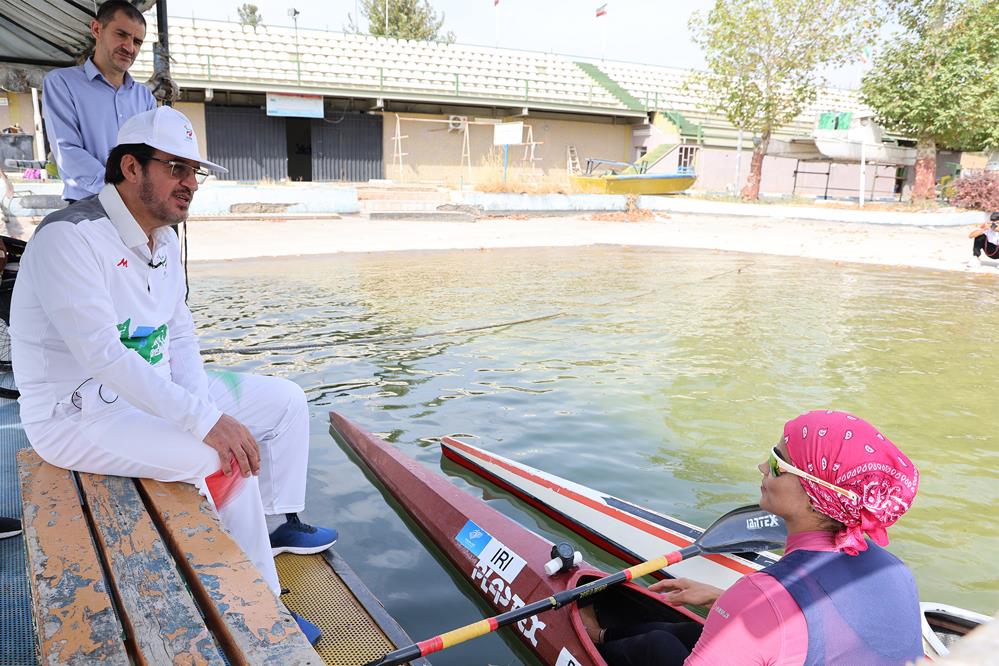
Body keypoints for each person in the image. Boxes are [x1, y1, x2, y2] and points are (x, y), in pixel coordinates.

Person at [9, 107, 335, 646]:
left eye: (195, 172)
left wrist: (200, 404)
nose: (190, 184)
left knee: (284, 401)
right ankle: (258, 606)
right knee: (217, 457)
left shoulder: (164, 237)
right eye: (177, 168)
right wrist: (205, 421)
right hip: (79, 414)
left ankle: (275, 525)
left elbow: (179, 335)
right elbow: (103, 357)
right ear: (131, 168)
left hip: (148, 393)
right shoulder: (68, 237)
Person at [581, 410, 923, 665]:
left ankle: (593, 637)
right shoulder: (894, 570)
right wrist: (723, 600)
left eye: (777, 463)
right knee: (684, 633)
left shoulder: (759, 596)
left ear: (816, 493)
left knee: (658, 646)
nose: (762, 466)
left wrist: (741, 607)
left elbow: (777, 613)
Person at [42, 0, 156, 203]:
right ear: (96, 29)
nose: (129, 47)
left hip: (136, 207)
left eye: (137, 41)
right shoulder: (62, 83)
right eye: (121, 34)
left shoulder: (145, 97)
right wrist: (117, 192)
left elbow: (150, 156)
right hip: (87, 207)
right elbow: (66, 150)